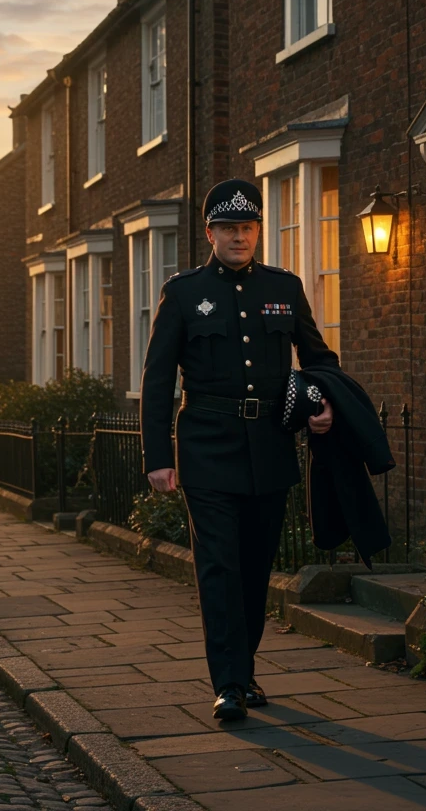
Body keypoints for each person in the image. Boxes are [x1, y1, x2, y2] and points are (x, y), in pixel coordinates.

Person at [139, 177, 340, 722]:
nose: (239, 237)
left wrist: (322, 402)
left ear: (257, 230)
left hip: (270, 447)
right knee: (220, 567)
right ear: (210, 233)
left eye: (247, 227)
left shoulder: (284, 287)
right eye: (228, 228)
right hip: (206, 448)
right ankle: (227, 682)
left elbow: (319, 358)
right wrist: (158, 456)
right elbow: (158, 380)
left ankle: (244, 669)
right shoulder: (183, 293)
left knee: (255, 567)